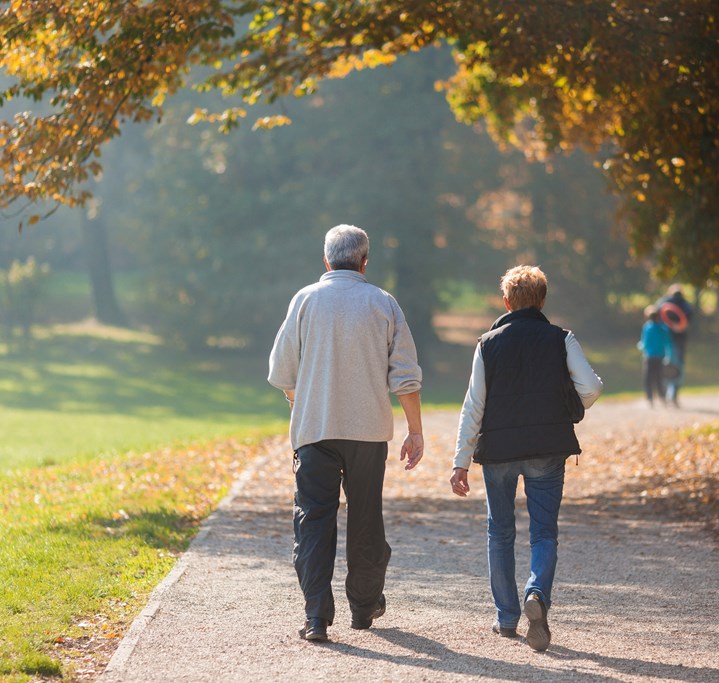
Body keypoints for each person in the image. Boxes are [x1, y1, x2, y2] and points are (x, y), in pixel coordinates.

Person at [268, 224, 425, 643]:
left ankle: (317, 616)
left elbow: (282, 372)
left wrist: (302, 405)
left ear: (326, 260)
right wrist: (415, 431)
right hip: (368, 433)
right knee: (366, 517)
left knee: (314, 521)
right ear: (364, 261)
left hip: (314, 433)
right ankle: (364, 605)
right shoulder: (383, 303)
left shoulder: (304, 300)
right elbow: (406, 377)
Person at [449, 265, 602, 652]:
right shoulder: (560, 338)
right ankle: (537, 593)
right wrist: (565, 406)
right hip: (548, 448)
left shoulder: (487, 343)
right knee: (544, 531)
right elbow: (591, 388)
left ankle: (506, 617)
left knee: (499, 532)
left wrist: (460, 461)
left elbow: (473, 407)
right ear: (542, 300)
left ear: (506, 302)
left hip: (498, 452)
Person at [656, 284, 694, 406]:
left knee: (663, 367)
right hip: (679, 340)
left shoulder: (662, 302)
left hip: (664, 340)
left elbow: (656, 313)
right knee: (678, 368)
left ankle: (664, 395)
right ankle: (674, 395)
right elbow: (689, 316)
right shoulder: (685, 305)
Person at [638, 305, 674, 407]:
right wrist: (669, 356)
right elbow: (668, 344)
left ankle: (650, 399)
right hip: (660, 357)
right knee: (659, 378)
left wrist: (640, 347)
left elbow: (644, 343)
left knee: (648, 379)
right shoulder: (663, 328)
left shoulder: (647, 327)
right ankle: (662, 398)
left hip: (649, 356)